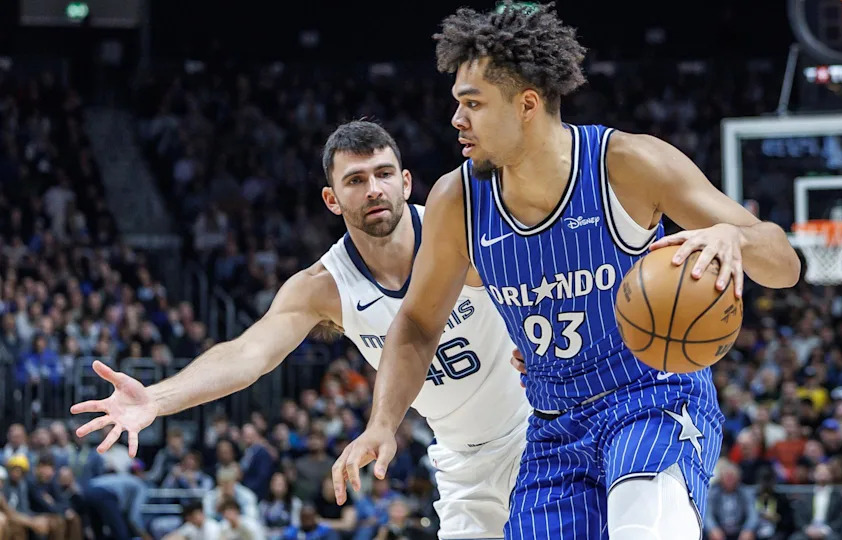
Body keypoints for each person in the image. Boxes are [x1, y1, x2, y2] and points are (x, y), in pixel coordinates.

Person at [331, 3, 800, 539]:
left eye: (473, 104)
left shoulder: (628, 165)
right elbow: (415, 325)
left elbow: (784, 264)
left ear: (527, 104)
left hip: (651, 398)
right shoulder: (456, 201)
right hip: (555, 427)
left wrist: (731, 236)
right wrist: (383, 422)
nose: (457, 120)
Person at [70, 121, 529, 539]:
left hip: (539, 426)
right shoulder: (322, 287)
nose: (373, 189)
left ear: (405, 182)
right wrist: (156, 399)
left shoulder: (460, 233)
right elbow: (248, 353)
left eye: (384, 174)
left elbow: (542, 277)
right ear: (332, 199)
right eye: (355, 180)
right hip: (462, 461)